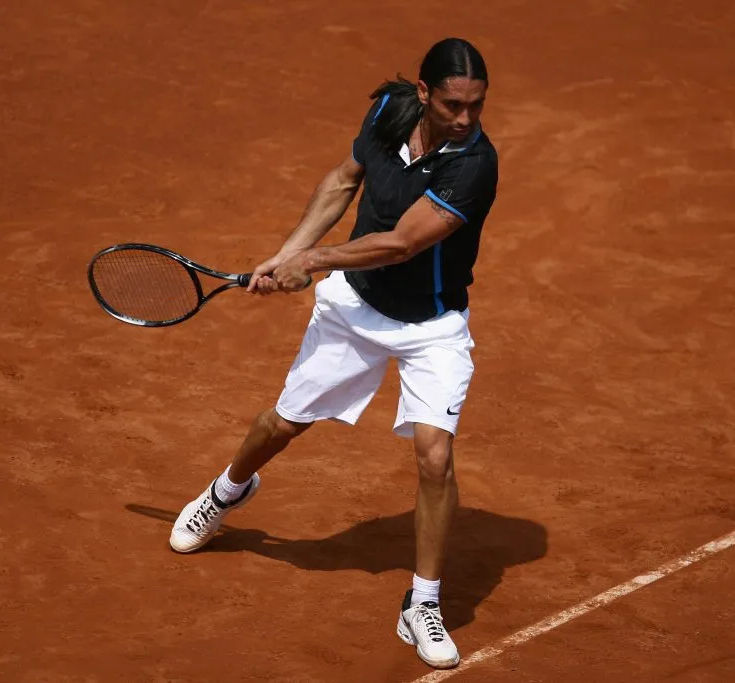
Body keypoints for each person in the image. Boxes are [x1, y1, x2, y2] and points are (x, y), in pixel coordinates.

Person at [169, 37, 498, 670]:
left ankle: (421, 602)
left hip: (432, 327)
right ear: (424, 94)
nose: (465, 118)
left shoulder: (474, 164)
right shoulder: (389, 112)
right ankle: (227, 491)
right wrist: (287, 250)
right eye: (453, 105)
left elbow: (402, 244)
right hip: (354, 310)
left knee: (435, 455)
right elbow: (345, 180)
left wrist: (313, 260)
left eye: (476, 106)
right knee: (281, 425)